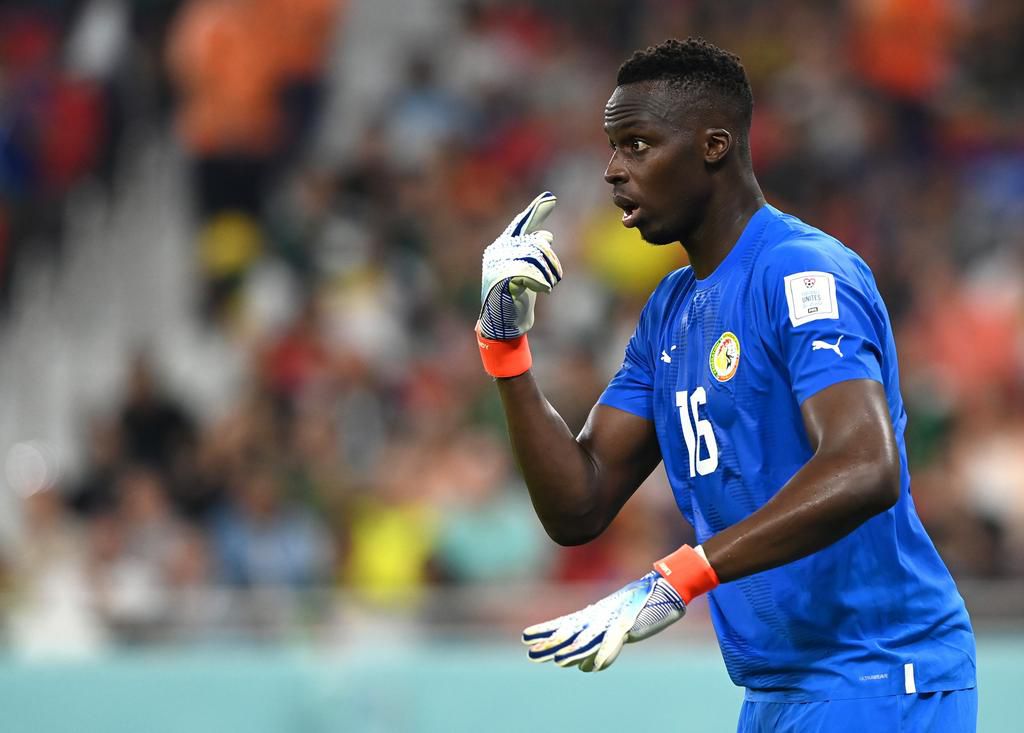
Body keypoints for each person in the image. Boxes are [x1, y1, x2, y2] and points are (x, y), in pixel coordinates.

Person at [473, 38, 976, 732]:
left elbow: (865, 464)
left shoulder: (803, 273)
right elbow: (578, 504)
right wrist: (505, 348)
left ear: (714, 146)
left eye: (639, 144)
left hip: (880, 672)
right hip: (775, 689)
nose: (615, 171)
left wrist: (680, 575)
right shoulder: (671, 310)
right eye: (613, 148)